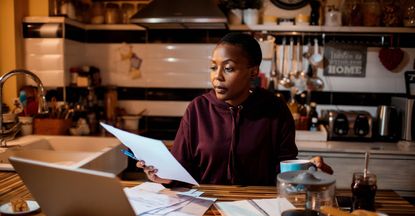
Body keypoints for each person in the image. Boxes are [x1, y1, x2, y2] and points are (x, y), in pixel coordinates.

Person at [136, 32, 332, 186]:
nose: (217, 77)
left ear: (253, 71)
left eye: (228, 68)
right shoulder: (198, 109)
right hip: (205, 207)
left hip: (260, 208)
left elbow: (286, 171)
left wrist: (310, 171)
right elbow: (181, 170)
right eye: (214, 67)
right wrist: (164, 176)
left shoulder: (275, 110)